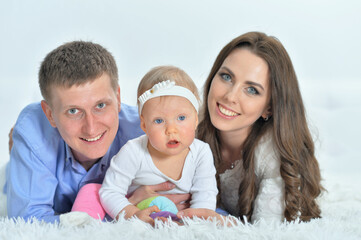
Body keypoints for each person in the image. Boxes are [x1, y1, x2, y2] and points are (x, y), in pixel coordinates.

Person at [4, 41, 188, 223]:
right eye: (73, 111)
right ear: (50, 114)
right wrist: (125, 208)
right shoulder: (33, 131)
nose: (91, 128)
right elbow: (28, 222)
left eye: (100, 105)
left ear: (118, 98)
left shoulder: (147, 133)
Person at [179, 31, 324, 223]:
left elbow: (266, 231)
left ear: (269, 108)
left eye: (252, 90)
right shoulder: (189, 125)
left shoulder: (272, 156)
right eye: (226, 77)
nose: (230, 96)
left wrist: (219, 222)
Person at [72, 66, 218, 225]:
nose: (171, 129)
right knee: (91, 191)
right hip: (138, 208)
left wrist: (192, 221)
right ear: (144, 124)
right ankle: (81, 224)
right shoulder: (133, 151)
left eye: (181, 118)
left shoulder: (201, 152)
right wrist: (133, 213)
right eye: (159, 121)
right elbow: (111, 191)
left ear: (196, 119)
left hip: (181, 214)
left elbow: (205, 195)